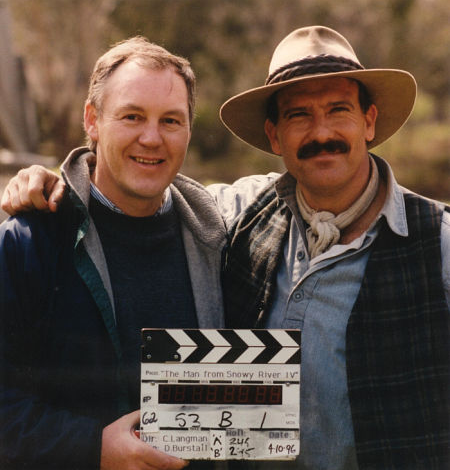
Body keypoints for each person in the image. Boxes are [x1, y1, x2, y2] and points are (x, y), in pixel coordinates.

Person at [2, 26, 449, 470]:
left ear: (369, 121)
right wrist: (92, 448)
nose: (321, 131)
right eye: (132, 116)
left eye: (339, 110)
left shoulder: (438, 243)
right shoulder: (231, 218)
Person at [0, 36, 227, 470]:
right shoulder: (26, 244)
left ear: (189, 130)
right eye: (132, 116)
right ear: (92, 120)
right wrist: (93, 448)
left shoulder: (218, 239)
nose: (151, 137)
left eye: (171, 121)